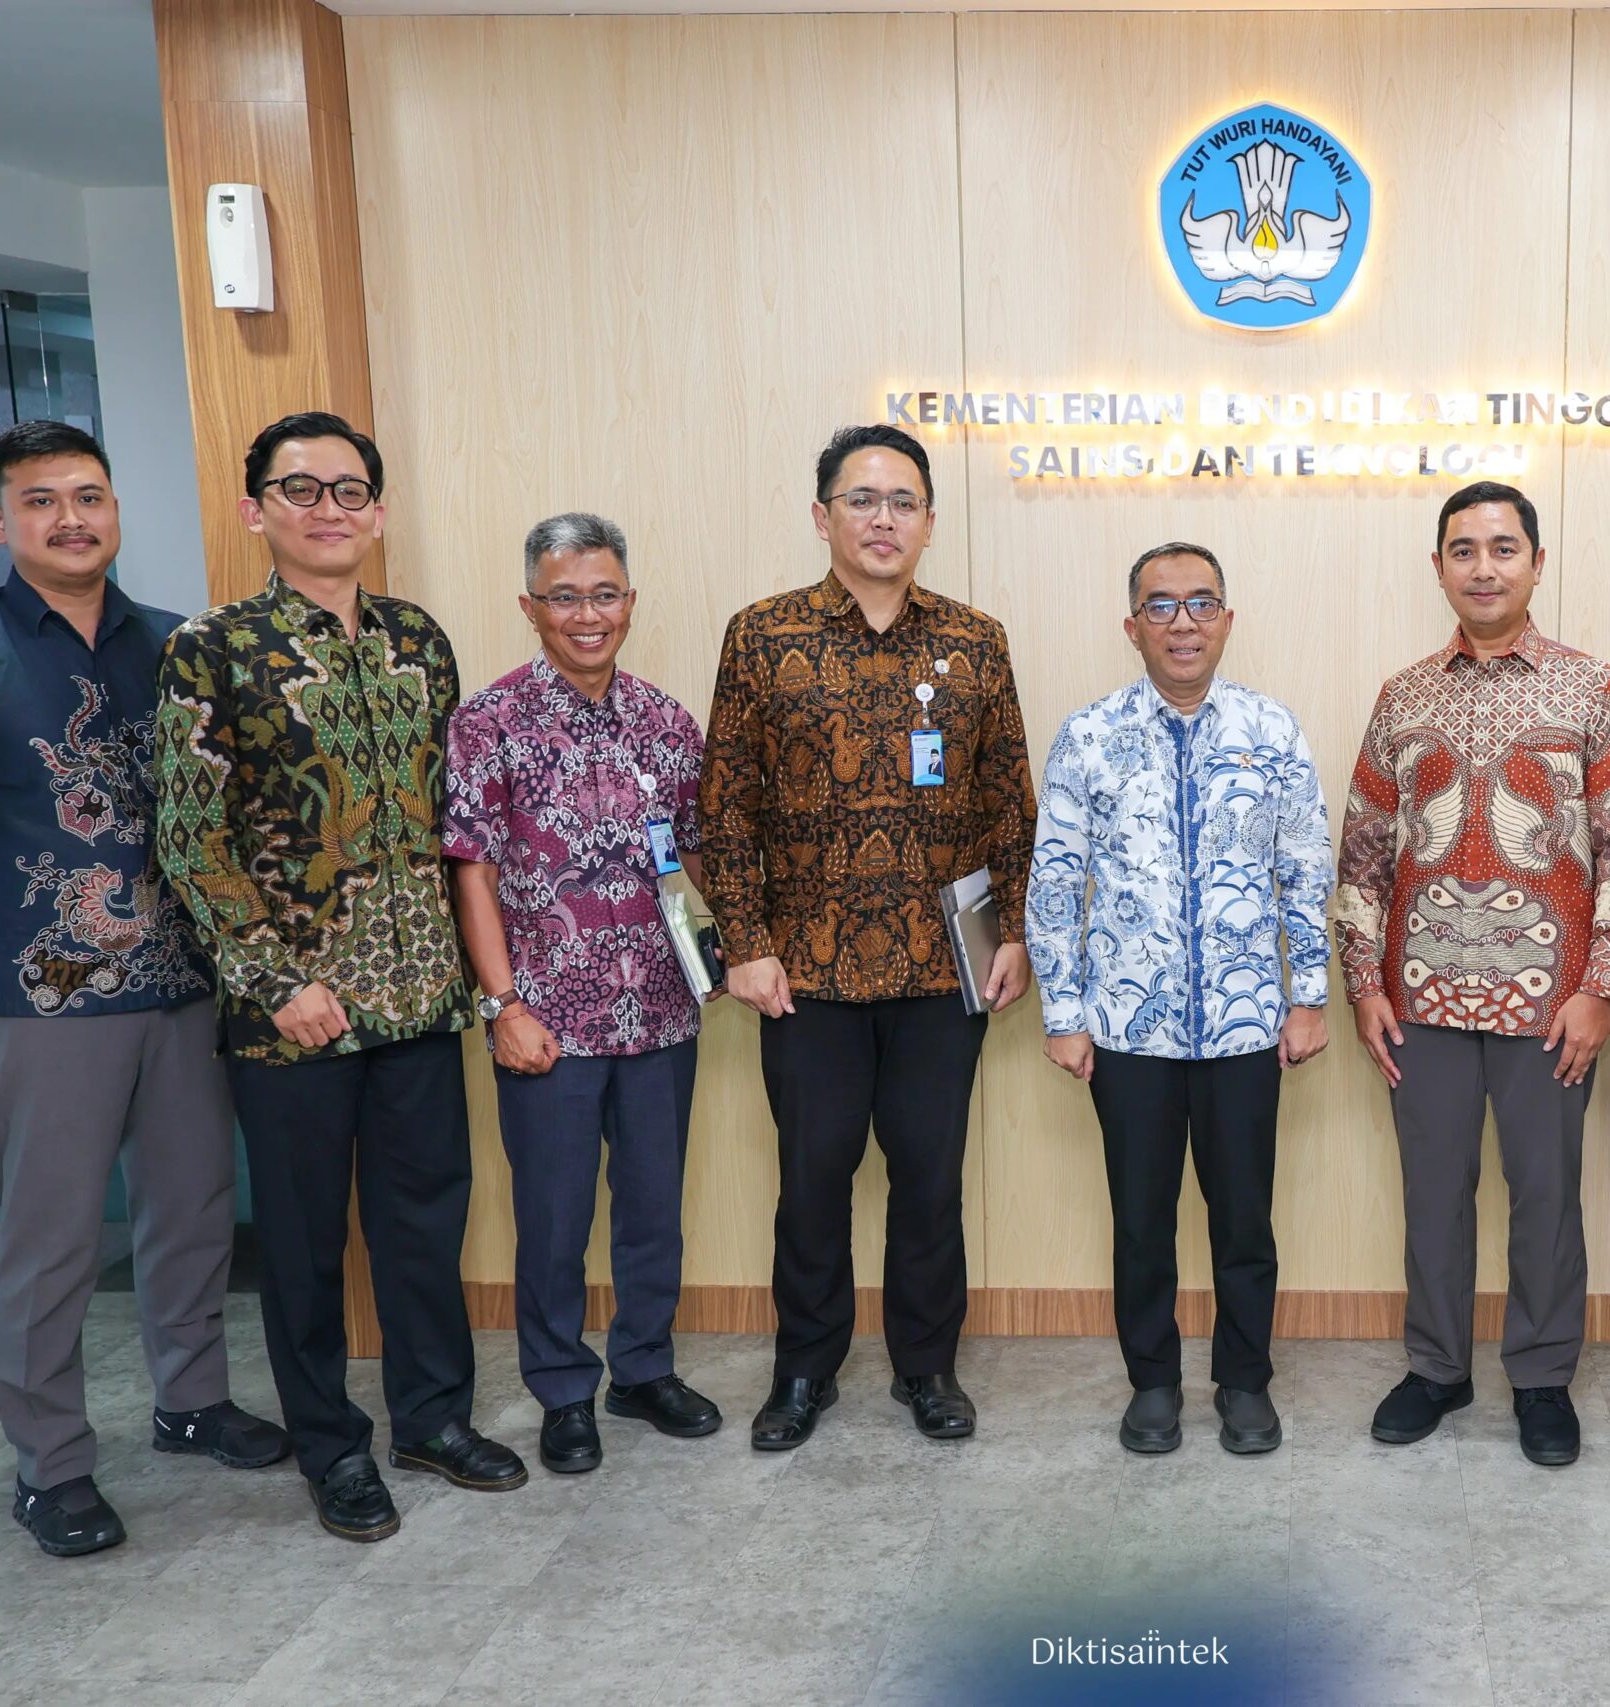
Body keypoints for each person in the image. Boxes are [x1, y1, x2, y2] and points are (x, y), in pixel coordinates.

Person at [0, 421, 285, 1558]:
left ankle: (191, 1400)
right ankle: (50, 1464)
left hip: (184, 982)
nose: (71, 518)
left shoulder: (179, 645)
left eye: (89, 496)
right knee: (49, 1239)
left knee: (193, 1207)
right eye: (41, 500)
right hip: (43, 997)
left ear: (114, 509)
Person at [154, 411, 525, 1543]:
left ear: (378, 509)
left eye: (350, 490)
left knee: (425, 1226)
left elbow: (457, 823)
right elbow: (190, 838)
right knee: (306, 1247)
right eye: (302, 489)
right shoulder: (212, 648)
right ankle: (331, 1447)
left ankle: (434, 1419)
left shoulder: (419, 639)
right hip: (295, 1018)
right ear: (255, 508)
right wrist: (274, 980)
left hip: (419, 999)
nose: (329, 510)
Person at [698, 424, 1036, 1451]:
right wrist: (745, 941)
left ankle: (927, 1367)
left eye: (903, 501)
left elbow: (1008, 802)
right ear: (822, 516)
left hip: (942, 968)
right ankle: (804, 1370)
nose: (883, 518)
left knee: (930, 1180)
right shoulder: (762, 636)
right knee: (813, 1181)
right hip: (804, 971)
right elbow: (725, 805)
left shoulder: (975, 640)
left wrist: (1014, 931)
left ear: (929, 521)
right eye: (862, 499)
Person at [1335, 481, 1610, 1468]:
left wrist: (1600, 989)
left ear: (1537, 563)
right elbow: (1363, 847)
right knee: (1433, 1191)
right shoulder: (1402, 696)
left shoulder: (1594, 690)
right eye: (1463, 550)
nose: (1484, 567)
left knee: (1545, 1194)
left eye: (1503, 548)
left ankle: (1542, 1377)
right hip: (1419, 995)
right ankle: (1436, 1367)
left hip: (1551, 1001)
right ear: (1438, 567)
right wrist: (1364, 983)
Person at [1027, 542, 1332, 1456]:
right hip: (1129, 1030)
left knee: (1244, 1222)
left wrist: (1309, 995)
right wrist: (1064, 1012)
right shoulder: (1089, 735)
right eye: (1161, 606)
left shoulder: (1272, 731)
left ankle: (1245, 1381)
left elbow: (1304, 867)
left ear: (1227, 619)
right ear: (1133, 627)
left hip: (1245, 1025)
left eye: (1202, 603)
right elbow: (1056, 879)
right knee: (1141, 1223)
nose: (1183, 622)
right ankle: (1153, 1383)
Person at [444, 513, 720, 1476]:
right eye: (564, 596)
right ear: (530, 607)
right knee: (555, 1219)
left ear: (630, 602)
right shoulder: (489, 722)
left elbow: (692, 859)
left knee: (654, 1210)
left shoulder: (667, 722)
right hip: (547, 1023)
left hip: (661, 1011)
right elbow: (471, 872)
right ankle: (563, 1391)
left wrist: (717, 961)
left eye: (604, 594)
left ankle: (644, 1369)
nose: (587, 614)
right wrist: (502, 1006)